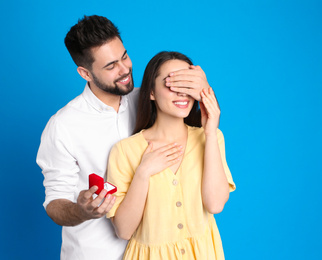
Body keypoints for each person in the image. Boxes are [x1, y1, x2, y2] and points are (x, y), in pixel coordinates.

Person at [36, 16, 211, 260]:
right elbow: (55, 203)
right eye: (110, 66)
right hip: (96, 254)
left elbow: (198, 127)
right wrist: (82, 210)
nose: (125, 69)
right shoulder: (63, 126)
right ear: (85, 73)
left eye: (124, 57)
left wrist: (201, 87)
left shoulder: (150, 100)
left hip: (156, 252)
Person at [106, 51, 236, 259]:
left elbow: (215, 204)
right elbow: (123, 230)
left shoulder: (211, 138)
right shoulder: (125, 151)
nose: (181, 93)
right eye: (172, 83)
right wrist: (143, 172)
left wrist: (210, 132)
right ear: (151, 92)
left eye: (187, 85)